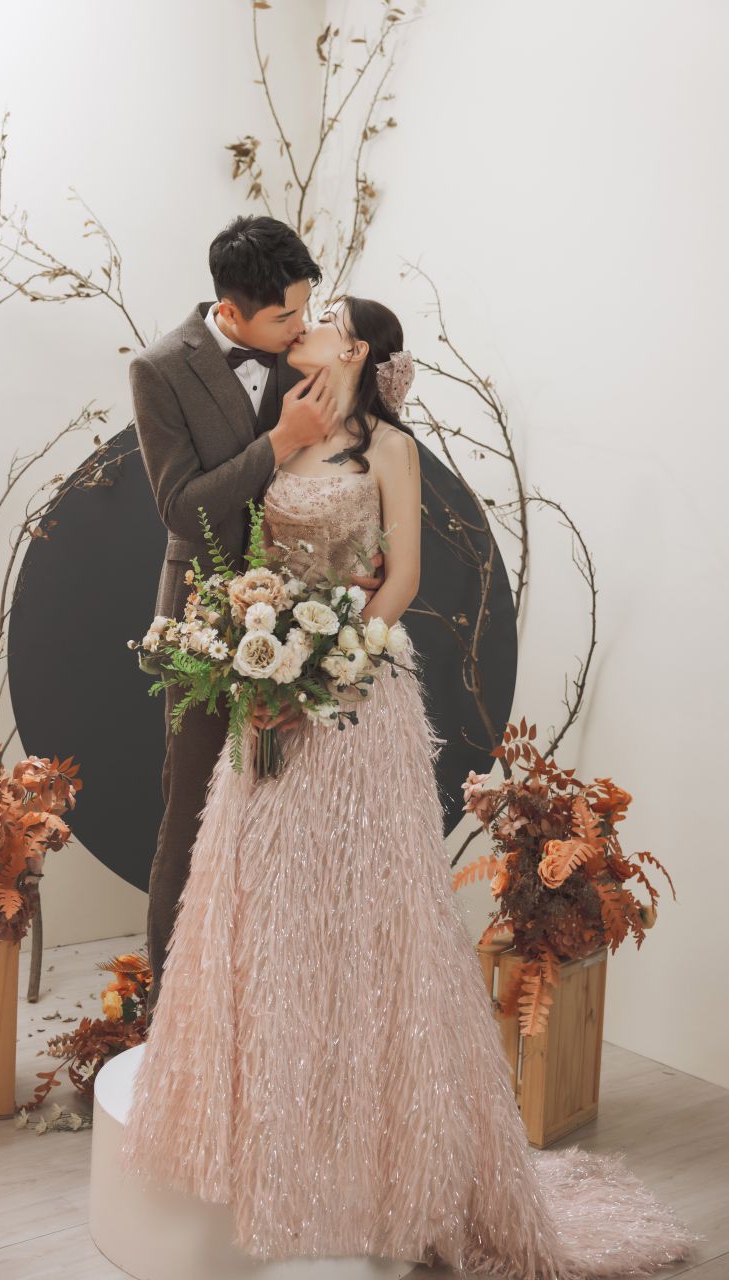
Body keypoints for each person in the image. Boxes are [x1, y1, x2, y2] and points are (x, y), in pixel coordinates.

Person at [120, 295, 700, 1275]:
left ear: (353, 350)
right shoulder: (282, 431)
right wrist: (262, 658)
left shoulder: (390, 449)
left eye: (322, 319)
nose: (302, 327)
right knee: (260, 890)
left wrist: (328, 665)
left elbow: (400, 580)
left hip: (354, 691)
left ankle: (386, 1130)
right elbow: (249, 553)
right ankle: (267, 1109)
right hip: (270, 688)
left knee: (372, 900)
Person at [129, 216, 385, 1023]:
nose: (300, 328)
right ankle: (172, 1019)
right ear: (230, 312)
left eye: (307, 310)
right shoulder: (158, 369)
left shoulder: (302, 354)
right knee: (193, 809)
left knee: (286, 819)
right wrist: (277, 441)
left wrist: (355, 557)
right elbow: (181, 508)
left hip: (306, 619)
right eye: (284, 317)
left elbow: (352, 467)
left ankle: (272, 1011)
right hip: (205, 618)